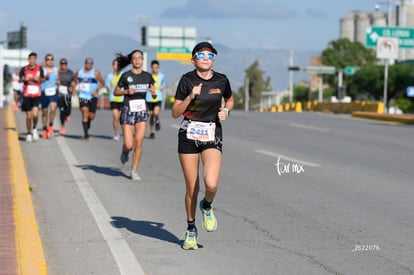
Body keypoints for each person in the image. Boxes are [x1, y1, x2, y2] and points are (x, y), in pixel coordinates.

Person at [171, 42, 234, 250]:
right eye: (201, 54)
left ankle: (206, 205)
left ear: (214, 59)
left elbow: (230, 100)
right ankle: (191, 229)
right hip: (188, 135)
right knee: (192, 187)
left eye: (210, 55)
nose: (206, 58)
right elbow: (175, 112)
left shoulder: (222, 80)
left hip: (211, 134)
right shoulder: (187, 80)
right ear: (193, 59)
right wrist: (190, 96)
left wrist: (226, 110)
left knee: (211, 183)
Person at [114, 50, 155, 180]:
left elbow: (153, 92)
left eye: (139, 58)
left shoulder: (148, 76)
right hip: (128, 109)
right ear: (131, 61)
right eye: (134, 58)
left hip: (142, 110)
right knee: (129, 144)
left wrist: (153, 93)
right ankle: (125, 151)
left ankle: (134, 170)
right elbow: (116, 91)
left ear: (143, 60)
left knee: (139, 142)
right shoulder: (126, 75)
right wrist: (126, 91)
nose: (137, 60)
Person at [72, 57, 105, 140]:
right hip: (83, 96)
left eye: (91, 63)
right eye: (87, 62)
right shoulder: (79, 72)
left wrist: (97, 90)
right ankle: (86, 134)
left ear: (92, 64)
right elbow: (75, 81)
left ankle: (88, 123)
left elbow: (102, 82)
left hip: (93, 96)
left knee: (91, 116)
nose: (89, 64)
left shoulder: (95, 73)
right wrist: (73, 89)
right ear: (85, 63)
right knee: (84, 111)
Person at [19, 52, 45, 142]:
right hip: (27, 95)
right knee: (28, 116)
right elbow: (19, 79)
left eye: (34, 59)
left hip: (36, 94)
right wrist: (24, 79)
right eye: (31, 59)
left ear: (35, 60)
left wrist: (39, 80)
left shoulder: (39, 68)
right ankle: (29, 133)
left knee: (35, 114)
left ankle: (34, 128)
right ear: (28, 59)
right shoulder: (24, 69)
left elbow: (43, 78)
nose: (32, 60)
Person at [40, 54, 59, 139]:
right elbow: (39, 80)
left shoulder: (56, 70)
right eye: (48, 59)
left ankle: (50, 126)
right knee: (44, 112)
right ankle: (44, 128)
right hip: (44, 92)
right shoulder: (42, 70)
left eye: (51, 59)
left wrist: (59, 82)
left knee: (53, 108)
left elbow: (59, 79)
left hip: (54, 91)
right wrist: (45, 77)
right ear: (45, 61)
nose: (50, 61)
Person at [146, 60, 165, 139]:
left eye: (156, 67)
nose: (155, 69)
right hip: (149, 98)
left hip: (158, 97)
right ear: (151, 67)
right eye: (153, 67)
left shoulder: (161, 76)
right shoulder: (148, 76)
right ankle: (152, 132)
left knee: (156, 113)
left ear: (158, 68)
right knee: (151, 116)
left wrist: (162, 87)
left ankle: (157, 121)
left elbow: (163, 84)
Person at [105, 59, 123, 141]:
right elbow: (107, 86)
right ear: (113, 66)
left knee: (122, 118)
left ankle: (125, 132)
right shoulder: (109, 76)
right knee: (116, 117)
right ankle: (116, 133)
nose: (117, 67)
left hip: (123, 99)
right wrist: (108, 88)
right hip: (114, 99)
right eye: (115, 65)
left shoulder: (123, 75)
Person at [57, 58, 75, 135]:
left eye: (65, 64)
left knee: (67, 110)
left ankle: (67, 115)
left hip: (68, 94)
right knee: (61, 110)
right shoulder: (58, 72)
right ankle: (62, 127)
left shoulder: (70, 73)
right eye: (62, 63)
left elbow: (74, 82)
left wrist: (72, 88)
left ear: (67, 64)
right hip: (60, 94)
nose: (63, 65)